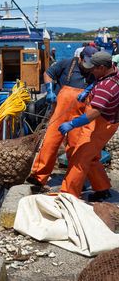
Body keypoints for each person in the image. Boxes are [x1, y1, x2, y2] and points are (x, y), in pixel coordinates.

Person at [28, 46, 104, 191]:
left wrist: (89, 90)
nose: (89, 69)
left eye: (91, 66)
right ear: (81, 58)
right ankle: (38, 176)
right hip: (60, 112)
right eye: (86, 64)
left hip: (80, 116)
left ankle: (75, 181)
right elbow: (48, 73)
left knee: (76, 147)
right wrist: (50, 91)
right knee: (50, 142)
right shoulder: (67, 63)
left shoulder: (96, 70)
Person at [59, 51, 119, 201]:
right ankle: (102, 188)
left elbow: (94, 113)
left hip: (102, 125)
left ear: (102, 67)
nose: (90, 71)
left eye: (93, 68)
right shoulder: (113, 74)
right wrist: (90, 87)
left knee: (79, 158)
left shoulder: (107, 87)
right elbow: (102, 82)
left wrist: (72, 124)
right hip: (106, 122)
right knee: (92, 157)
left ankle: (67, 196)